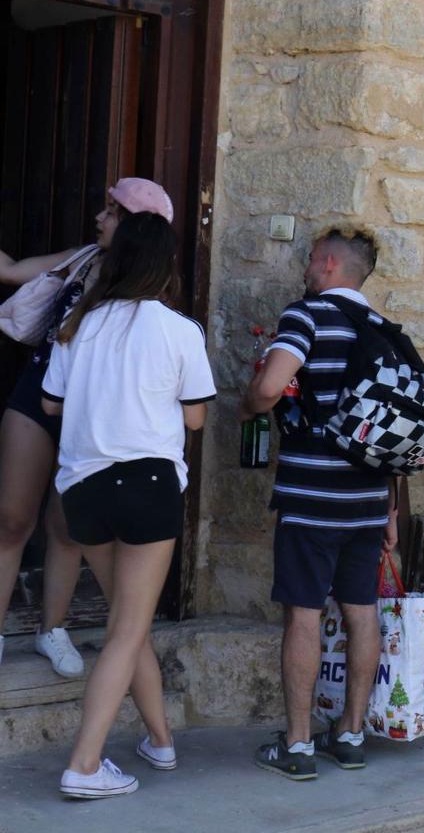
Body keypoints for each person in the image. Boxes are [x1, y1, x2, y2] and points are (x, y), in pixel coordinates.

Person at [42, 211, 215, 798]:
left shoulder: (76, 323)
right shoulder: (179, 329)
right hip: (147, 483)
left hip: (85, 488)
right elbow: (195, 417)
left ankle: (160, 741)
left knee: (126, 622)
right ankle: (84, 765)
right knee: (127, 628)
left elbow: (50, 405)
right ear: (166, 264)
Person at [240, 228, 399, 780]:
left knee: (304, 613)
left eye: (311, 260)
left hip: (311, 499)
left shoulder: (306, 316)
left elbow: (268, 390)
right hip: (369, 501)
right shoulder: (383, 329)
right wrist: (392, 513)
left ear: (329, 264)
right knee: (361, 612)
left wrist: (249, 400)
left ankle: (300, 746)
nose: (306, 269)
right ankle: (351, 735)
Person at [0, 178, 174, 676]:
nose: (100, 218)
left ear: (138, 228)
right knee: (12, 518)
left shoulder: (152, 294)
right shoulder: (81, 259)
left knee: (68, 526)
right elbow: (12, 271)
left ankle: (51, 631)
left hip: (94, 412)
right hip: (39, 394)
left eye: (113, 213)